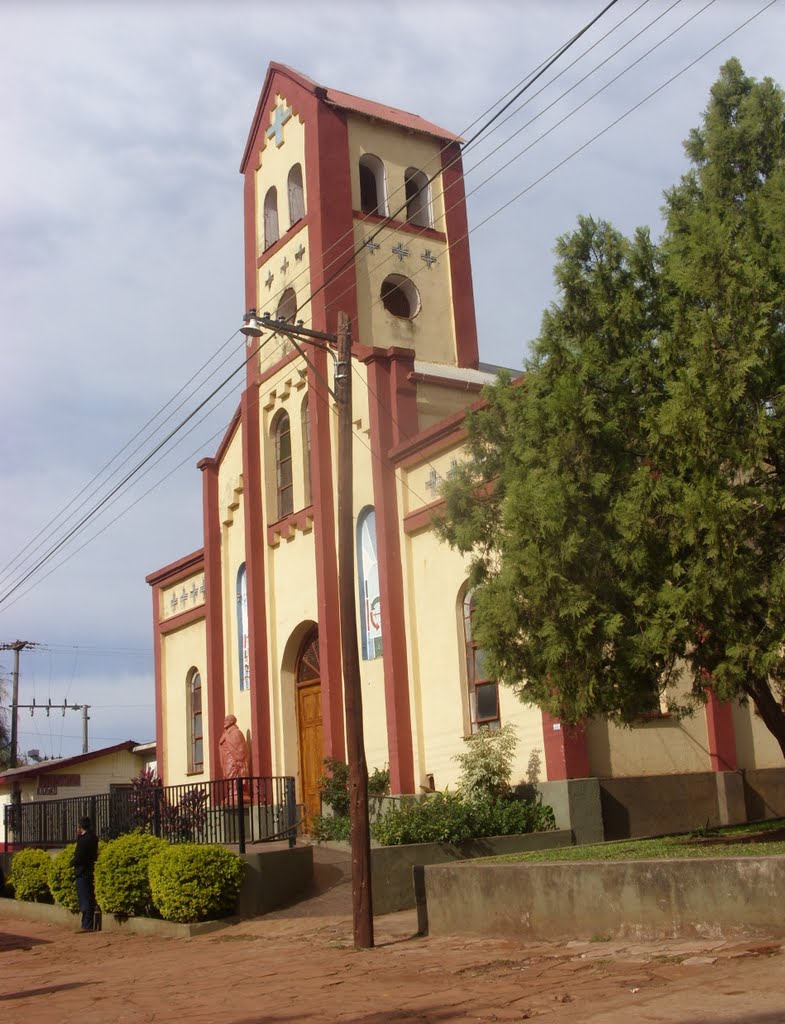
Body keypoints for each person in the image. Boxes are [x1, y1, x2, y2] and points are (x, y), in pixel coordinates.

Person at [72, 816, 99, 932]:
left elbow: (79, 856)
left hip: (82, 871)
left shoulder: (83, 840)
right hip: (89, 869)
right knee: (88, 896)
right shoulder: (93, 837)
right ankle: (86, 923)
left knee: (84, 898)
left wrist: (72, 863)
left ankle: (87, 925)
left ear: (80, 827)